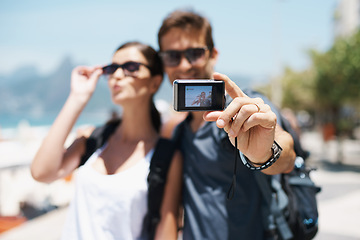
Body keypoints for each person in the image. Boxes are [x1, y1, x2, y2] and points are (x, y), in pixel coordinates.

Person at [157, 9, 296, 239]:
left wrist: (263, 155)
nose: (183, 65)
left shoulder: (242, 107)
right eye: (172, 56)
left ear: (213, 54)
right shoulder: (179, 130)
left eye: (194, 53)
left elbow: (286, 153)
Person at [31, 42, 182, 240]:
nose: (117, 76)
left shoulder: (166, 157)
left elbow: (165, 232)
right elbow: (42, 172)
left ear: (154, 82)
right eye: (112, 69)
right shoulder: (95, 139)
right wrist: (78, 97)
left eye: (130, 67)